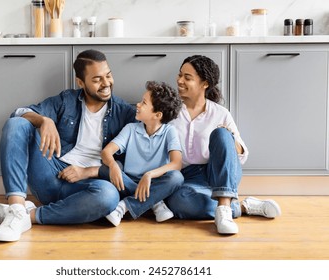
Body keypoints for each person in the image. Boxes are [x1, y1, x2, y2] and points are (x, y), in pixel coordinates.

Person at [0, 49, 136, 242]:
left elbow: (130, 165)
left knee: (108, 196)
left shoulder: (125, 112)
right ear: (81, 82)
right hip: (50, 173)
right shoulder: (67, 100)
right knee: (17, 123)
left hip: (85, 186)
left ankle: (24, 216)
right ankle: (17, 205)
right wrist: (44, 120)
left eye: (108, 75)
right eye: (97, 79)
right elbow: (19, 112)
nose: (106, 84)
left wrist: (89, 171)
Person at [166, 55, 281, 235]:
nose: (180, 81)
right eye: (179, 75)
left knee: (221, 133)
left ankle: (225, 208)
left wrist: (228, 136)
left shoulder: (220, 113)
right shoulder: (170, 112)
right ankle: (241, 207)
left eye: (187, 78)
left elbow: (242, 156)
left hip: (218, 173)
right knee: (179, 202)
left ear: (205, 84)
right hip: (187, 178)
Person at [100, 81, 184, 226]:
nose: (137, 105)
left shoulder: (169, 131)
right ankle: (155, 202)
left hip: (155, 181)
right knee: (104, 169)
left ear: (157, 115)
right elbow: (106, 152)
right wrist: (113, 165)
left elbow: (176, 163)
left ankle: (123, 207)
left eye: (144, 103)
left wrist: (149, 174)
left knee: (177, 177)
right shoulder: (130, 128)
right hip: (128, 182)